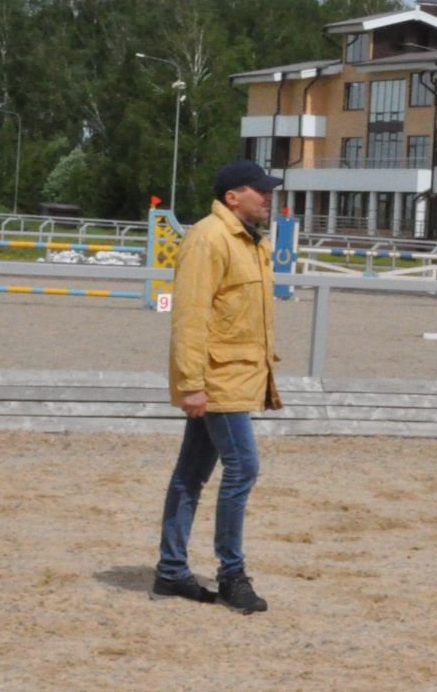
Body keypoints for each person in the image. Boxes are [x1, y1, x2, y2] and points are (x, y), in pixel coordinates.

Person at [152, 159, 283, 612]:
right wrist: (192, 384)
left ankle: (171, 572)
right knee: (243, 467)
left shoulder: (251, 242)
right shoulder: (209, 239)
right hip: (216, 380)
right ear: (233, 197)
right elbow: (190, 317)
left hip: (234, 375)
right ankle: (232, 574)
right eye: (259, 190)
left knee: (191, 474)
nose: (268, 197)